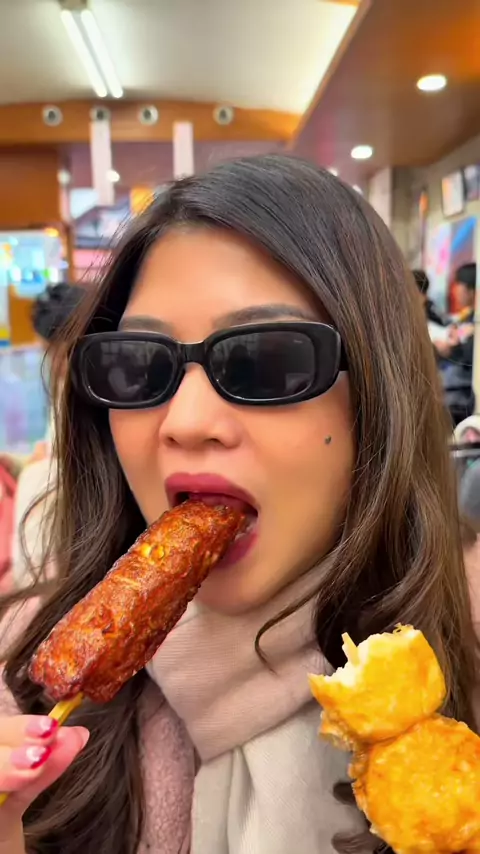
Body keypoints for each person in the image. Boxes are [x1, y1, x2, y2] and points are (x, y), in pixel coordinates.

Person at [0, 155, 478, 854]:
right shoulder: (19, 690)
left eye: (264, 360)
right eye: (138, 365)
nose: (186, 421)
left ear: (381, 394)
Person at [438, 264, 477, 427]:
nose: (455, 292)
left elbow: (472, 356)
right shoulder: (466, 318)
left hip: (462, 395)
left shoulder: (475, 322)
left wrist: (454, 347)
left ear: (471, 291)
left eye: (458, 287)